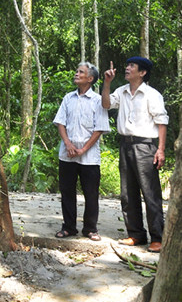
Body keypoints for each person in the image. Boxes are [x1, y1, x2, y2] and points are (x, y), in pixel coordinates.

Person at [101, 57, 168, 253]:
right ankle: (136, 234)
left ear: (142, 72)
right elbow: (106, 104)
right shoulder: (120, 91)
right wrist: (107, 83)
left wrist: (161, 149)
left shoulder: (152, 95)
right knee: (128, 193)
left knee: (150, 193)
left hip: (146, 146)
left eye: (132, 66)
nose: (127, 68)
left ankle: (158, 237)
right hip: (125, 145)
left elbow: (162, 122)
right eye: (127, 65)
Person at [53, 62, 110, 241]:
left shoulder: (97, 101)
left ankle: (90, 229)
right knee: (67, 191)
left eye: (81, 72)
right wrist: (68, 144)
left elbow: (99, 128)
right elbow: (60, 122)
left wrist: (83, 149)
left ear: (90, 78)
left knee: (91, 193)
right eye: (77, 71)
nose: (76, 74)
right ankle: (69, 227)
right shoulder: (68, 98)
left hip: (90, 157)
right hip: (67, 154)